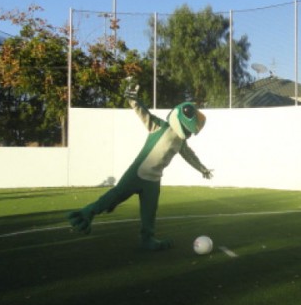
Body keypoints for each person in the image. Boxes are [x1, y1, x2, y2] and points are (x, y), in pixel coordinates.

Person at [67, 78, 213, 250]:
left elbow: (190, 157)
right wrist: (132, 98)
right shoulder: (159, 126)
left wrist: (202, 169)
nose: (189, 131)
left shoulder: (181, 143)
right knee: (114, 196)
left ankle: (147, 240)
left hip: (154, 180)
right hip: (137, 174)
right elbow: (143, 113)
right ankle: (85, 214)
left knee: (149, 213)